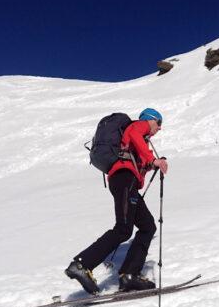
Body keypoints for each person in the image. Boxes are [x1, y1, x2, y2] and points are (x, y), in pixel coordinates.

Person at [65, 108, 169, 293]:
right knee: (123, 229)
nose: (159, 128)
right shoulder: (139, 126)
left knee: (148, 226)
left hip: (126, 182)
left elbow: (137, 160)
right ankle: (82, 265)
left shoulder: (136, 141)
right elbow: (136, 134)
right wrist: (153, 161)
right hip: (123, 178)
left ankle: (130, 275)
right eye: (158, 123)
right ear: (150, 120)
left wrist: (151, 165)